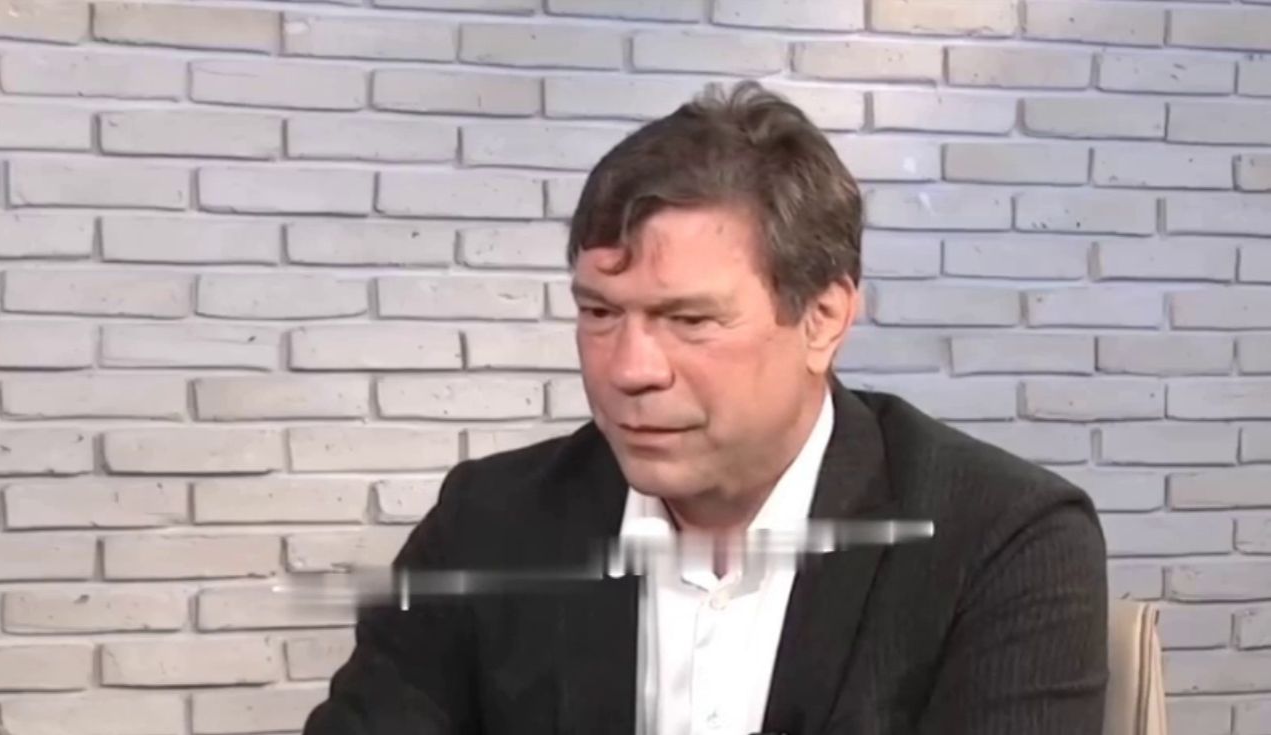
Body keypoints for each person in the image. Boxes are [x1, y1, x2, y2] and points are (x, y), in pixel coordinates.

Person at [302, 81, 1108, 735]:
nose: (629, 369)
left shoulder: (1001, 539)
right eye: (598, 312)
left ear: (822, 317)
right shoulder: (487, 522)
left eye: (688, 319)